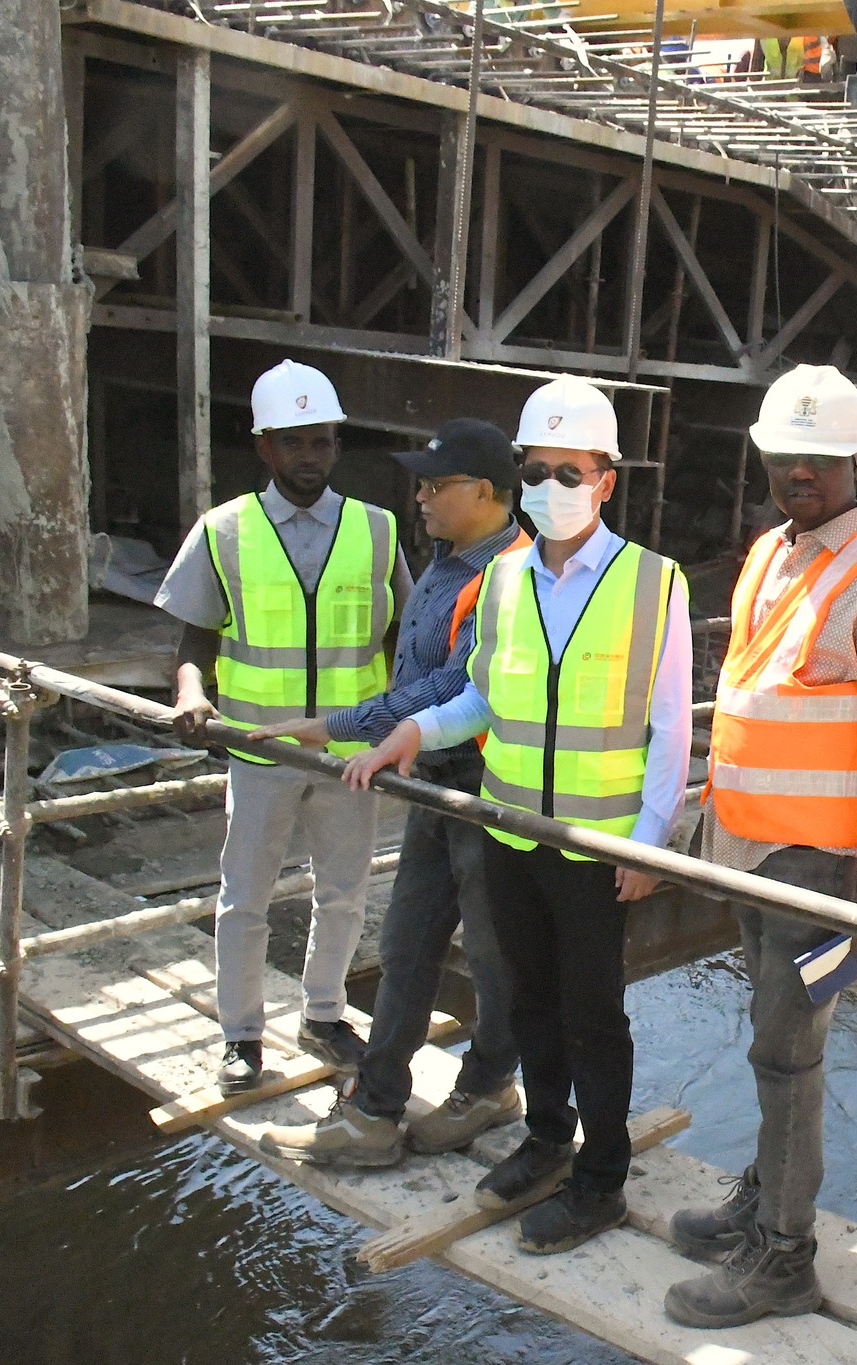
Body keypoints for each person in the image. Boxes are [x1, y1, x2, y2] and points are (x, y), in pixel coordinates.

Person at [339, 377, 694, 1255]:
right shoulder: (503, 578)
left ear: (606, 479)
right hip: (508, 832)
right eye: (536, 469)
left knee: (592, 1012)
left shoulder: (654, 583)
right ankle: (545, 1135)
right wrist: (411, 732)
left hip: (595, 843)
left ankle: (601, 1177)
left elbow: (672, 727)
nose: (550, 486)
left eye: (570, 471)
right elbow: (481, 701)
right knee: (528, 998)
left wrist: (651, 842)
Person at [663, 365, 857, 1328]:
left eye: (819, 460)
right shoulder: (772, 554)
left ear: (856, 459)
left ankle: (784, 1256)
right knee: (768, 1040)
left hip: (822, 869)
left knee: (789, 1054)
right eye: (786, 459)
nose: (801, 475)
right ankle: (760, 1198)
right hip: (751, 850)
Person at [253, 418, 531, 1166]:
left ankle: (489, 1082)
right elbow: (414, 676)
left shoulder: (512, 571)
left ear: (484, 491)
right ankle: (376, 1107)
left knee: (492, 950)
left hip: (486, 789)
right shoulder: (444, 561)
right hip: (436, 785)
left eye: (436, 485)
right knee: (406, 942)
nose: (420, 498)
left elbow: (453, 686)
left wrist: (339, 726)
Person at [156, 359, 412, 1097]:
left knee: (344, 889)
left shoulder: (377, 528)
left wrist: (398, 723)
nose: (309, 457)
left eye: (322, 442)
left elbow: (404, 635)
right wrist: (189, 693)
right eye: (293, 442)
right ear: (264, 446)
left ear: (337, 444)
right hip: (257, 743)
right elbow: (193, 640)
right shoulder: (224, 530)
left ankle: (324, 1014)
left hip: (347, 753)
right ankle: (241, 1033)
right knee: (245, 894)